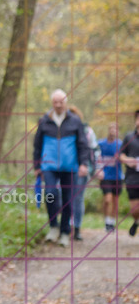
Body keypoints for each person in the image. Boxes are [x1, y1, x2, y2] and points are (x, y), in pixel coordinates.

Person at [33, 89, 90, 248]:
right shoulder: (44, 121)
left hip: (70, 166)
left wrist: (83, 164)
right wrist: (37, 165)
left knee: (68, 200)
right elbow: (37, 145)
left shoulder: (75, 121)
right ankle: (53, 226)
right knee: (50, 194)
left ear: (66, 102)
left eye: (61, 102)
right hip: (49, 165)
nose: (58, 105)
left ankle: (65, 232)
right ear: (52, 103)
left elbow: (83, 144)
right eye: (55, 102)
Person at [67, 104, 99, 242]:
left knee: (78, 198)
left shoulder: (87, 131)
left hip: (82, 168)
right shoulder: (62, 130)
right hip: (65, 169)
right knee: (65, 197)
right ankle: (66, 226)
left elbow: (95, 150)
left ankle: (77, 228)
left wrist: (94, 169)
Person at [96, 123, 123, 232]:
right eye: (111, 128)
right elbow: (96, 157)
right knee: (107, 199)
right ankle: (106, 222)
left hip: (117, 176)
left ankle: (111, 222)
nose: (113, 131)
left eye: (115, 129)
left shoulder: (120, 144)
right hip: (105, 176)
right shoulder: (101, 143)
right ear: (108, 130)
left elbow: (125, 157)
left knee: (115, 201)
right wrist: (98, 170)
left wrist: (121, 158)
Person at [120, 109, 139, 236]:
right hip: (132, 177)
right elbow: (120, 155)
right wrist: (128, 160)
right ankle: (136, 221)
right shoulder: (128, 137)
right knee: (135, 209)